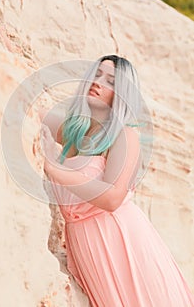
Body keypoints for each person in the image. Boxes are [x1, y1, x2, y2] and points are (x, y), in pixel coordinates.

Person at [39, 55, 194, 307]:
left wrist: (52, 166)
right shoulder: (75, 129)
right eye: (96, 74)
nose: (98, 82)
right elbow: (29, 110)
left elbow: (112, 198)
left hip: (122, 240)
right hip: (87, 244)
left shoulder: (125, 135)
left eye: (110, 80)